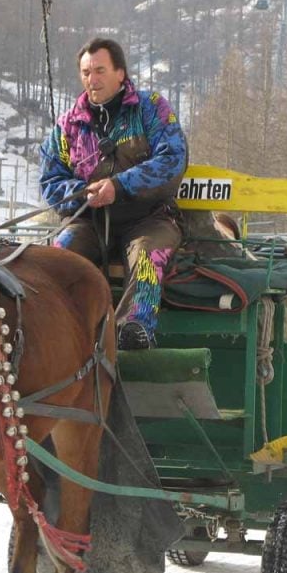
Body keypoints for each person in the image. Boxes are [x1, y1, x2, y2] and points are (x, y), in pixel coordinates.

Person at [40, 37, 188, 350]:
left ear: (120, 73)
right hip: (89, 221)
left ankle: (133, 330)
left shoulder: (152, 107)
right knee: (57, 256)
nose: (91, 80)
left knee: (148, 255)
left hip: (149, 220)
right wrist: (82, 194)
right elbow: (50, 182)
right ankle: (56, 333)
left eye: (100, 70)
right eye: (85, 72)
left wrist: (119, 187)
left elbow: (172, 159)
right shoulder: (67, 126)